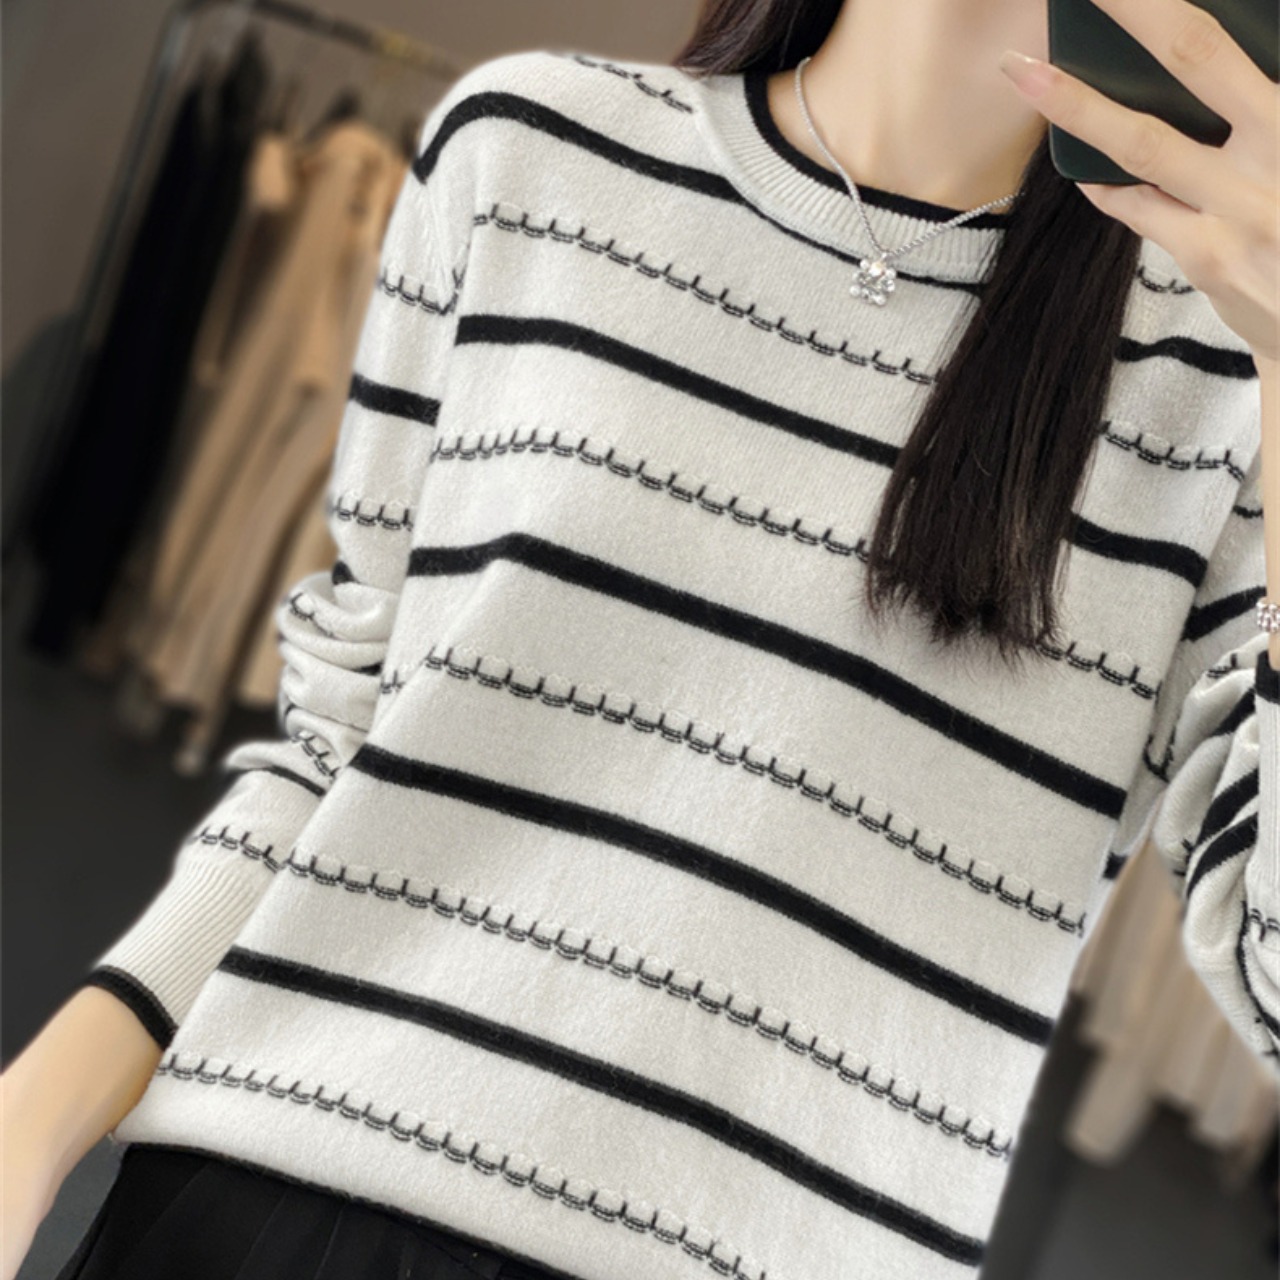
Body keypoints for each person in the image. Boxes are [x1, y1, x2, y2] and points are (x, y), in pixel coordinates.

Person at [5, 0, 1278, 1277]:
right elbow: (344, 744)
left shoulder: (1228, 377)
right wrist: (34, 1116)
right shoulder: (529, 150)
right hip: (275, 1196)